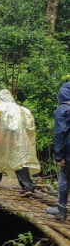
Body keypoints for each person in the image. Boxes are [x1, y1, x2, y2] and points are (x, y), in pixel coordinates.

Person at [48, 82, 70, 220]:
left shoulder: (63, 109)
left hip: (68, 152)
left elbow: (61, 132)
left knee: (64, 176)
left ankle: (61, 210)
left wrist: (58, 156)